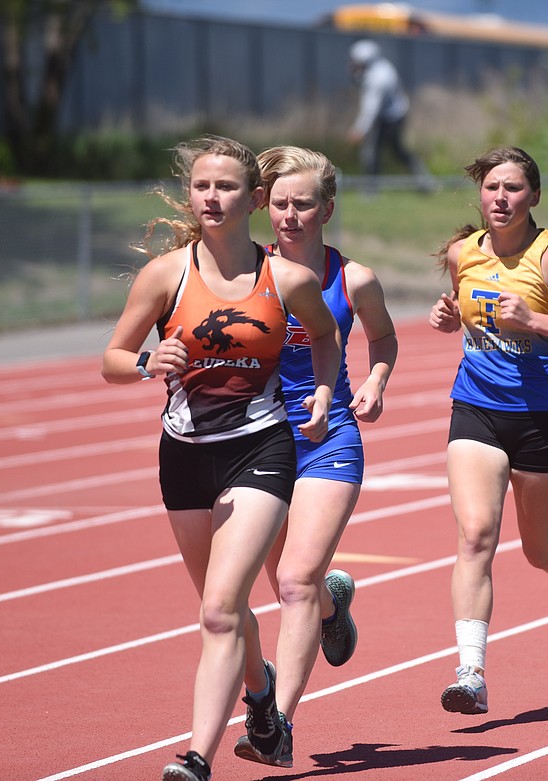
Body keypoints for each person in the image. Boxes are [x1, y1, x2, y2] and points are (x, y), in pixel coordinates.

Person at [101, 135, 340, 781]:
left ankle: (197, 755)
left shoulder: (286, 277)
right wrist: (149, 360)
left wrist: (321, 390)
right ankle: (262, 700)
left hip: (260, 447)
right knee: (224, 607)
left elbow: (325, 332)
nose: (213, 197)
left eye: (227, 186)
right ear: (191, 195)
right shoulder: (166, 275)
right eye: (203, 186)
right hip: (183, 455)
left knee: (218, 609)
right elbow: (112, 360)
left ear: (254, 198)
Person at [428, 145, 548, 716]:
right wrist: (446, 320)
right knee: (476, 536)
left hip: (542, 418)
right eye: (492, 188)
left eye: (513, 188)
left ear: (533, 196)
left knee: (539, 549)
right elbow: (465, 315)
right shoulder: (464, 252)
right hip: (477, 410)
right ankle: (471, 672)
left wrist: (536, 320)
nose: (501, 198)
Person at [232, 145, 398, 768]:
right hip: (259, 438)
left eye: (303, 204)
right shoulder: (247, 272)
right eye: (279, 204)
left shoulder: (352, 278)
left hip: (330, 437)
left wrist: (375, 382)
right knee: (285, 581)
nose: (290, 216)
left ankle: (278, 725)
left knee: (295, 581)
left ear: (327, 208)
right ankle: (336, 605)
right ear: (263, 207)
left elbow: (383, 337)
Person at [346, 38, 435, 192]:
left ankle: (371, 190)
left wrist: (359, 130)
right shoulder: (383, 67)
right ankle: (424, 181)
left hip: (389, 118)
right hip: (397, 114)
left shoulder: (378, 79)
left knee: (372, 153)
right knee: (396, 152)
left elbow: (371, 109)